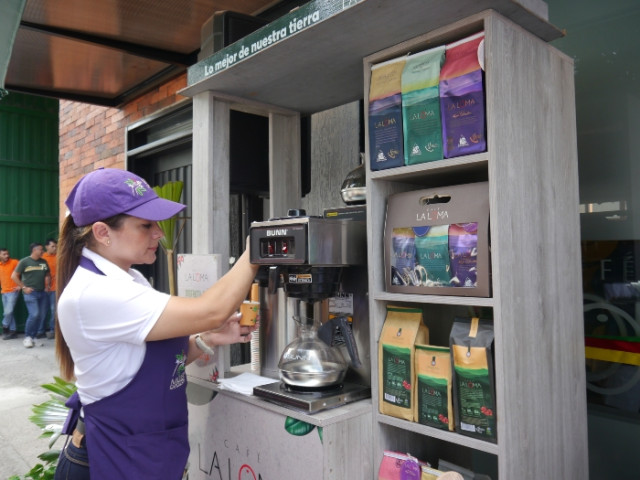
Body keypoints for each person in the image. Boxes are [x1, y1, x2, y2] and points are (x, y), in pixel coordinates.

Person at [53, 168, 259, 480]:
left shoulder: (130, 278)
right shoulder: (95, 293)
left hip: (143, 457)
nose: (159, 233)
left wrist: (207, 340)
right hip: (108, 462)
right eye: (146, 225)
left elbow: (147, 361)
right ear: (102, 232)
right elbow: (213, 310)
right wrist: (257, 249)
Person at [11, 242, 51, 348]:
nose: (43, 251)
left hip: (42, 293)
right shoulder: (24, 261)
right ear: (34, 250)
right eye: (41, 250)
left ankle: (34, 338)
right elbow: (14, 276)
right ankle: (27, 337)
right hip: (31, 293)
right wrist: (24, 287)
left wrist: (47, 286)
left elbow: (47, 274)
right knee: (34, 314)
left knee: (41, 316)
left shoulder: (44, 262)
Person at [0, 247, 20, 340]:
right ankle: (13, 331)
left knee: (8, 311)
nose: (7, 256)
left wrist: (20, 285)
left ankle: (4, 325)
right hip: (4, 292)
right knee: (9, 313)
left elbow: (25, 272)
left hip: (13, 291)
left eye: (7, 254)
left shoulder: (14, 262)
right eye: (4, 254)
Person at [41, 238, 58, 339]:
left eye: (55, 246)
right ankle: (40, 331)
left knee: (53, 310)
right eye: (52, 246)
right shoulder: (42, 258)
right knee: (42, 311)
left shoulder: (59, 257)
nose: (55, 248)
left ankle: (52, 330)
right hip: (43, 289)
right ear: (46, 247)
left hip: (55, 288)